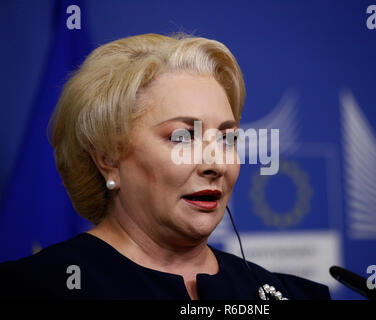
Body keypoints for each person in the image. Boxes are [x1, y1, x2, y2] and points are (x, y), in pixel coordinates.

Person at [0, 33, 330, 300]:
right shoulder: (33, 289)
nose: (215, 164)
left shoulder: (291, 296)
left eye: (227, 139)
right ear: (108, 158)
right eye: (183, 137)